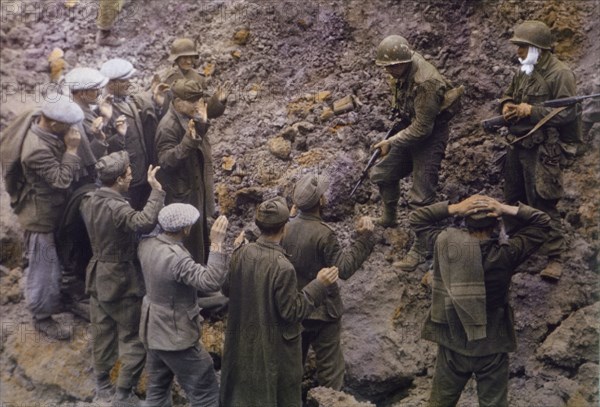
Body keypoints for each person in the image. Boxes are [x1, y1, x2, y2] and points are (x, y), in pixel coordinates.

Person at [414, 195, 550, 407]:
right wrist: (504, 208)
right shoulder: (507, 254)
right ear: (496, 227)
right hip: (492, 346)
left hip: (454, 344)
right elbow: (542, 222)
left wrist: (456, 208)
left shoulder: (446, 245)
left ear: (465, 223)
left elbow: (417, 219)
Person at [220, 197, 339, 407]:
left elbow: (227, 288)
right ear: (284, 228)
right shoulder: (283, 267)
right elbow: (292, 311)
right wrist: (319, 284)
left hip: (244, 339)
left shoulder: (241, 253)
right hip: (275, 348)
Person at [79, 151, 165, 405]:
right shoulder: (117, 207)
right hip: (121, 279)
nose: (131, 178)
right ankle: (123, 394)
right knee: (134, 337)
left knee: (102, 333)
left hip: (97, 275)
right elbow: (144, 222)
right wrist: (156, 191)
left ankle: (102, 386)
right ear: (118, 179)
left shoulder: (89, 200)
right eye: (128, 174)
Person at [370, 35, 460, 272]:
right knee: (381, 173)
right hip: (410, 128)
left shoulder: (425, 82)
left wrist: (392, 141)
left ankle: (421, 249)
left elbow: (423, 129)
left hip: (430, 137)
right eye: (386, 67)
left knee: (421, 196)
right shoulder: (402, 70)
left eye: (392, 66)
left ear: (405, 61)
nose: (389, 71)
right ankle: (389, 217)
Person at [499, 20, 581, 280]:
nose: (518, 52)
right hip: (518, 144)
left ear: (538, 49)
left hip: (544, 148)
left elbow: (568, 112)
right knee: (512, 197)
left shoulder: (561, 74)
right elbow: (509, 92)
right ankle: (517, 249)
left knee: (543, 200)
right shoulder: (525, 69)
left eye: (523, 47)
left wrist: (533, 111)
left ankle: (554, 257)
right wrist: (508, 104)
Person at [281, 173, 375, 390]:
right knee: (331, 371)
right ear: (321, 201)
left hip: (294, 309)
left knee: (292, 367)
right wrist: (364, 238)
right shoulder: (325, 234)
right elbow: (344, 269)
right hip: (324, 312)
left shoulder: (283, 227)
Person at [137, 205, 230, 407]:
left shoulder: (147, 245)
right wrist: (217, 245)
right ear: (185, 229)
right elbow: (211, 281)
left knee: (157, 392)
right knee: (205, 393)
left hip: (152, 330)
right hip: (175, 335)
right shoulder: (177, 258)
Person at [15, 94, 83, 340]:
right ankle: (42, 317)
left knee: (58, 260)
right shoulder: (35, 150)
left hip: (54, 210)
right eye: (67, 126)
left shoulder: (45, 129)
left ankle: (61, 297)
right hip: (40, 216)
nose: (71, 130)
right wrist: (72, 150)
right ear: (54, 124)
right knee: (44, 268)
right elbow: (61, 180)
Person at [100, 58, 159, 210]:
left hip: (141, 171)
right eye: (125, 80)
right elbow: (102, 147)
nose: (130, 83)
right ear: (112, 84)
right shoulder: (103, 109)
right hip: (125, 177)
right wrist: (118, 136)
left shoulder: (129, 99)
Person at [155, 38, 230, 119]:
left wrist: (217, 100)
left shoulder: (199, 78)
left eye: (191, 57)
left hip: (191, 126)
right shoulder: (164, 78)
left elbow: (205, 109)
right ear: (176, 58)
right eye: (184, 58)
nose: (189, 61)